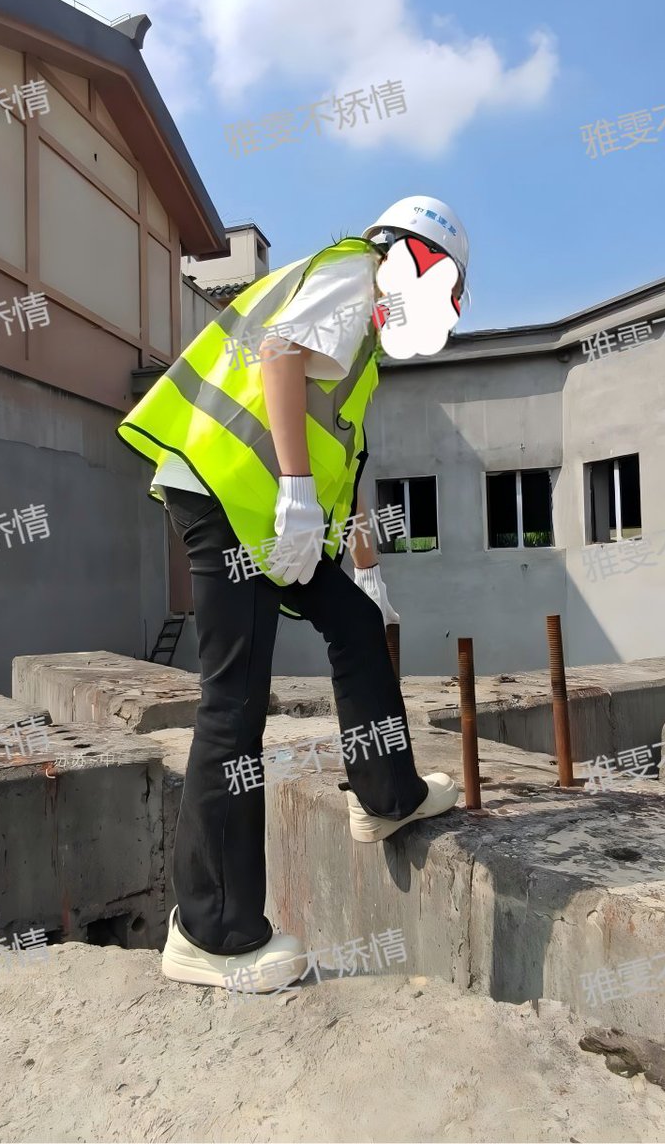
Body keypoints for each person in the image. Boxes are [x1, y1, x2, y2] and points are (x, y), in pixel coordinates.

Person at [117, 196, 470, 993]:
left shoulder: (362, 341)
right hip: (229, 496)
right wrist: (296, 491)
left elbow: (345, 463)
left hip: (265, 508)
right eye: (447, 288)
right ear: (415, 259)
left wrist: (364, 566)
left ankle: (386, 794)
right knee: (234, 700)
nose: (444, 309)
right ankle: (210, 931)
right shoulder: (355, 271)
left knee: (355, 623)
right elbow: (277, 355)